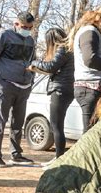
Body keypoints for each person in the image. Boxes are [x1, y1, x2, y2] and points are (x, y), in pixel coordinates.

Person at [0, 11, 36, 167]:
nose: (27, 30)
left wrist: (31, 81)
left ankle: (16, 154)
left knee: (18, 122)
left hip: (24, 87)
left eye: (30, 27)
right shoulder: (4, 35)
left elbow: (32, 62)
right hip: (5, 85)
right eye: (24, 26)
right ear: (16, 24)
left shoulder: (31, 40)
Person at [67, 6, 101, 133]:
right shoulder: (90, 31)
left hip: (95, 88)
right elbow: (90, 59)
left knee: (95, 133)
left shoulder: (94, 32)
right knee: (90, 134)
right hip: (91, 89)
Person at [28, 28, 74, 164]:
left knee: (56, 126)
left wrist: (34, 62)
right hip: (65, 89)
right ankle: (57, 156)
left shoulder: (63, 49)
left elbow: (51, 66)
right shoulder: (69, 50)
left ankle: (59, 158)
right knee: (57, 125)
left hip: (60, 90)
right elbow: (53, 70)